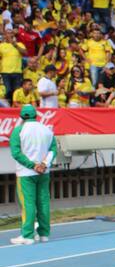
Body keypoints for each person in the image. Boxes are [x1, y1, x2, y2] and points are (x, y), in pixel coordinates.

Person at [9, 104, 57, 245]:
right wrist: (43, 164)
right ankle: (44, 234)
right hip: (43, 172)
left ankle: (28, 236)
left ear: (22, 117)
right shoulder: (46, 130)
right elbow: (53, 149)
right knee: (43, 202)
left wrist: (33, 165)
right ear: (36, 115)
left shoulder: (18, 130)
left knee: (28, 204)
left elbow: (16, 153)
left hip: (26, 173)